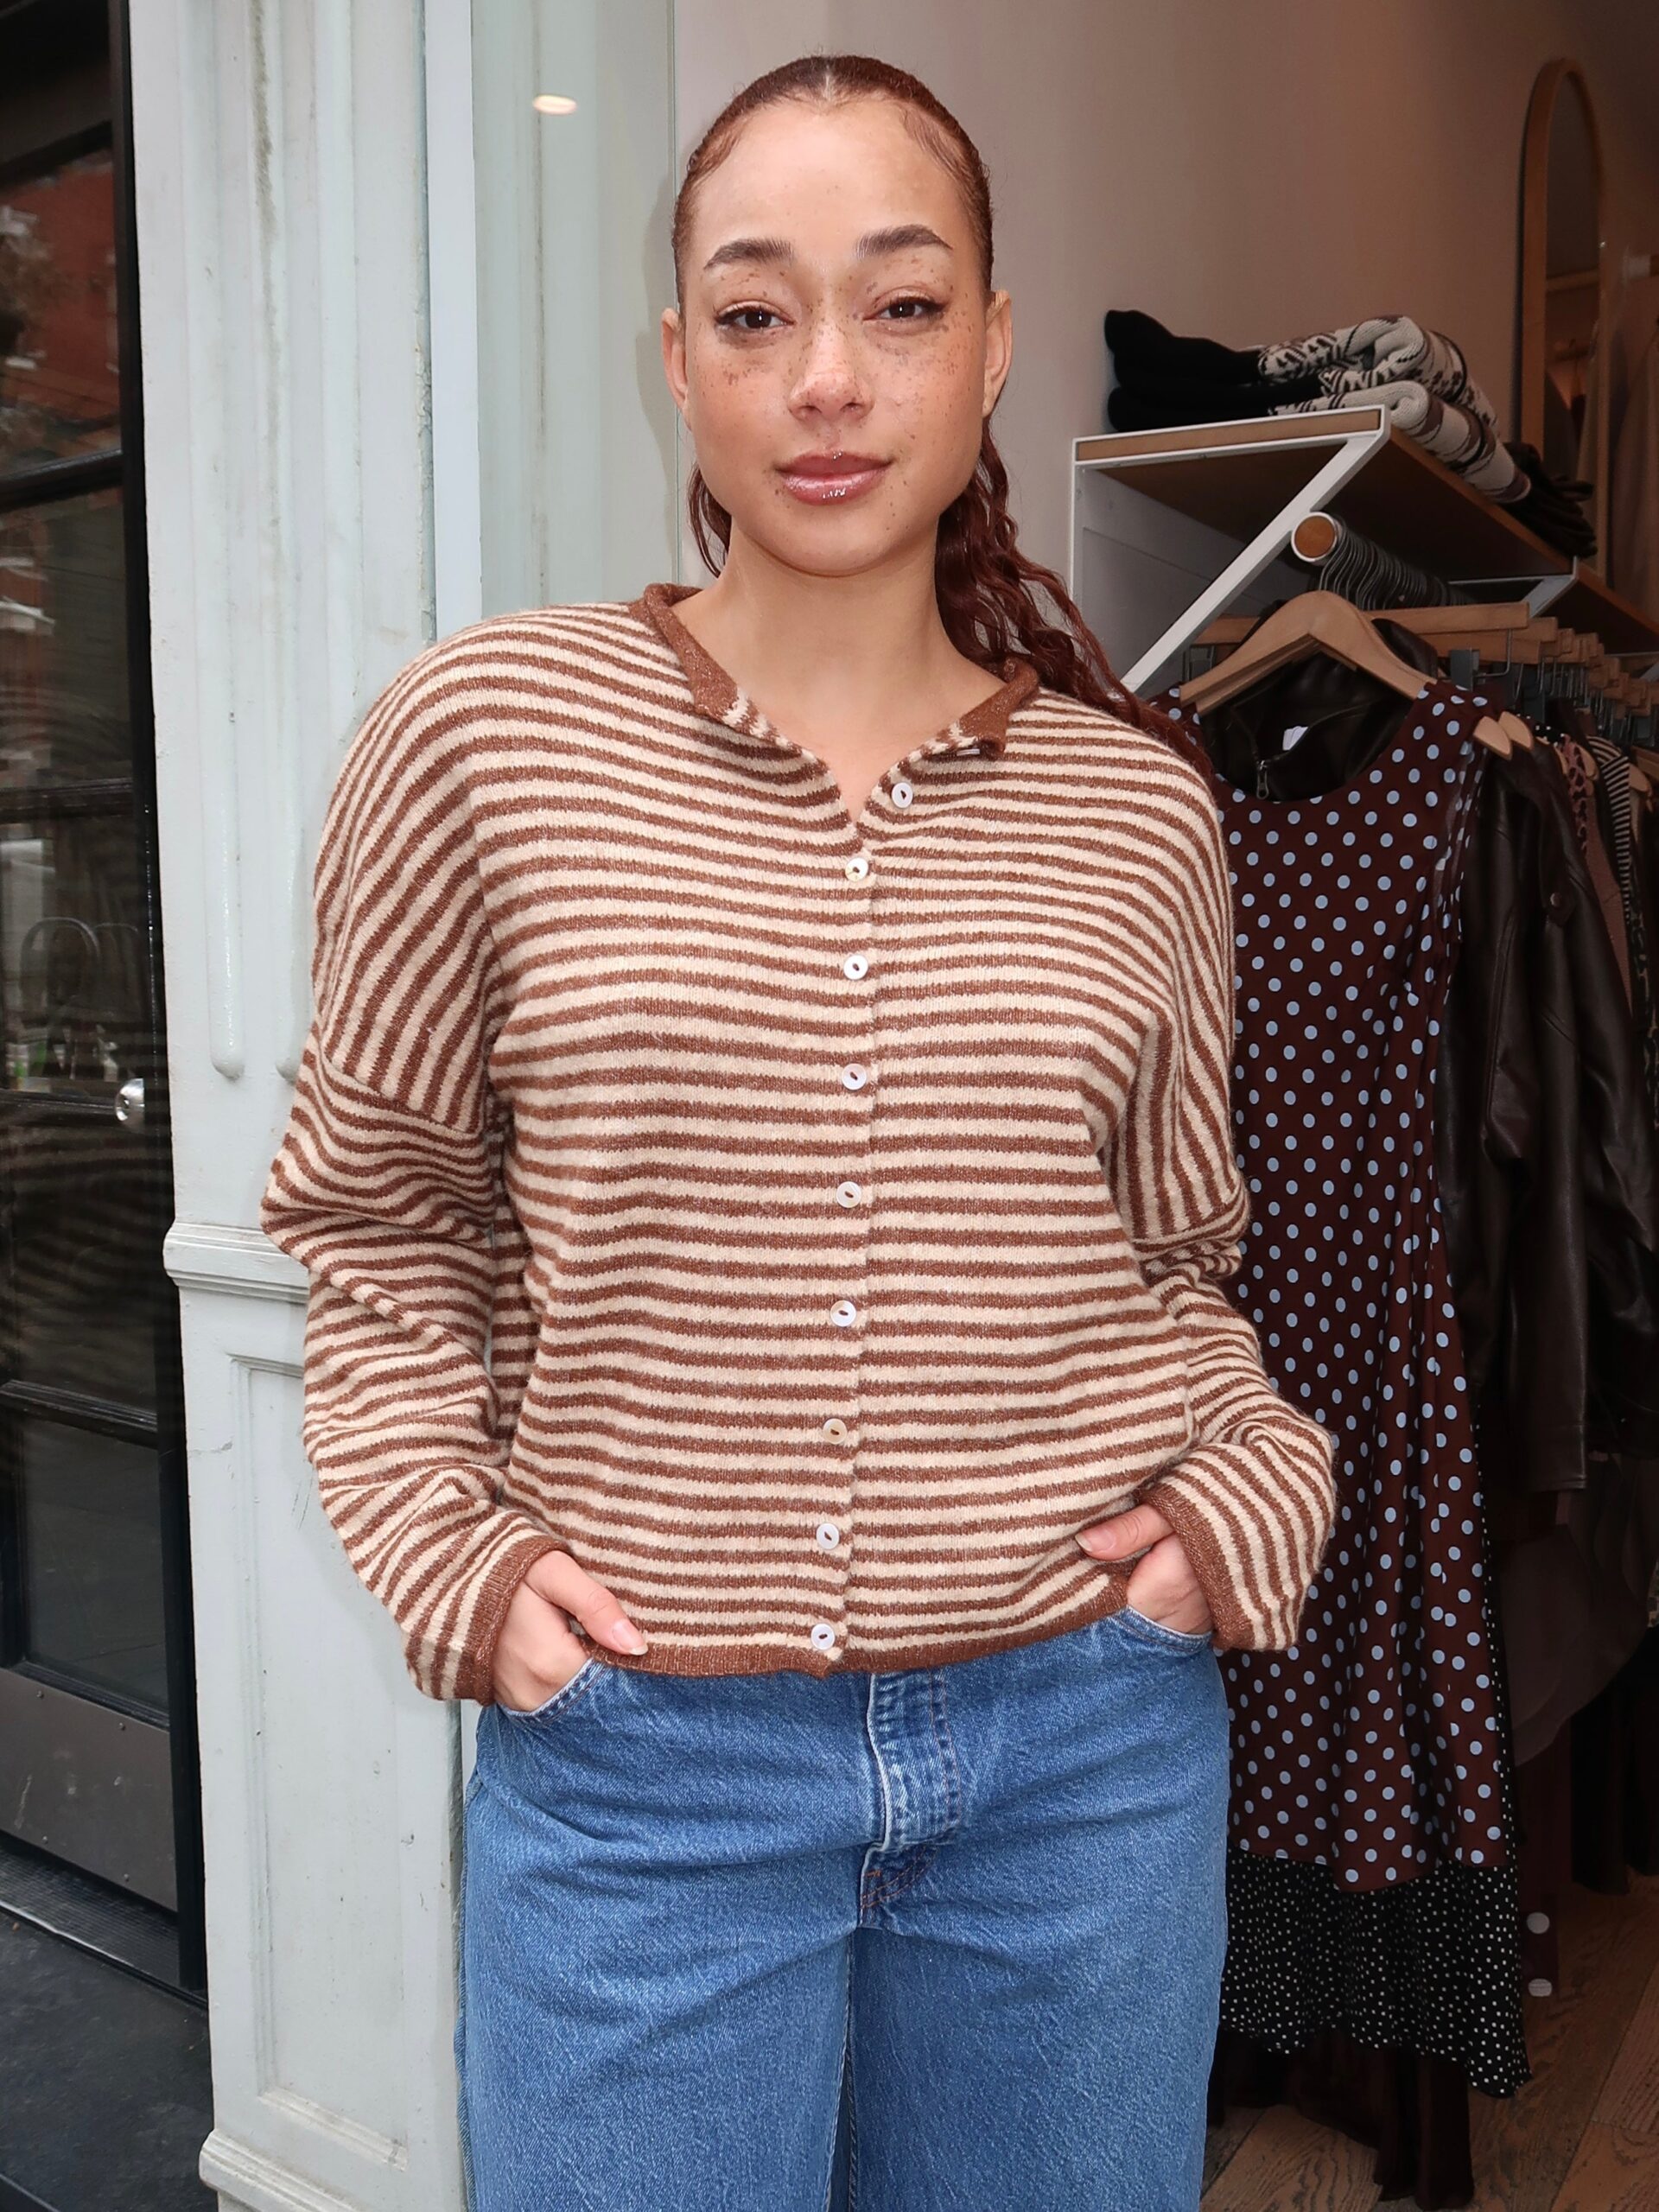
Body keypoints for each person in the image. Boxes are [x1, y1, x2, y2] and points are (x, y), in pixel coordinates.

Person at [261, 52, 1336, 2212]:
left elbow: (1178, 1264)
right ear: (677, 360)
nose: (828, 378)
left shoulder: (1140, 811)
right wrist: (457, 1558)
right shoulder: (482, 739)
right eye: (756, 312)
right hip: (643, 1772)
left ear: (994, 344)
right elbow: (378, 1225)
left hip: (1087, 1751)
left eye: (902, 304)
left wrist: (1253, 1484)